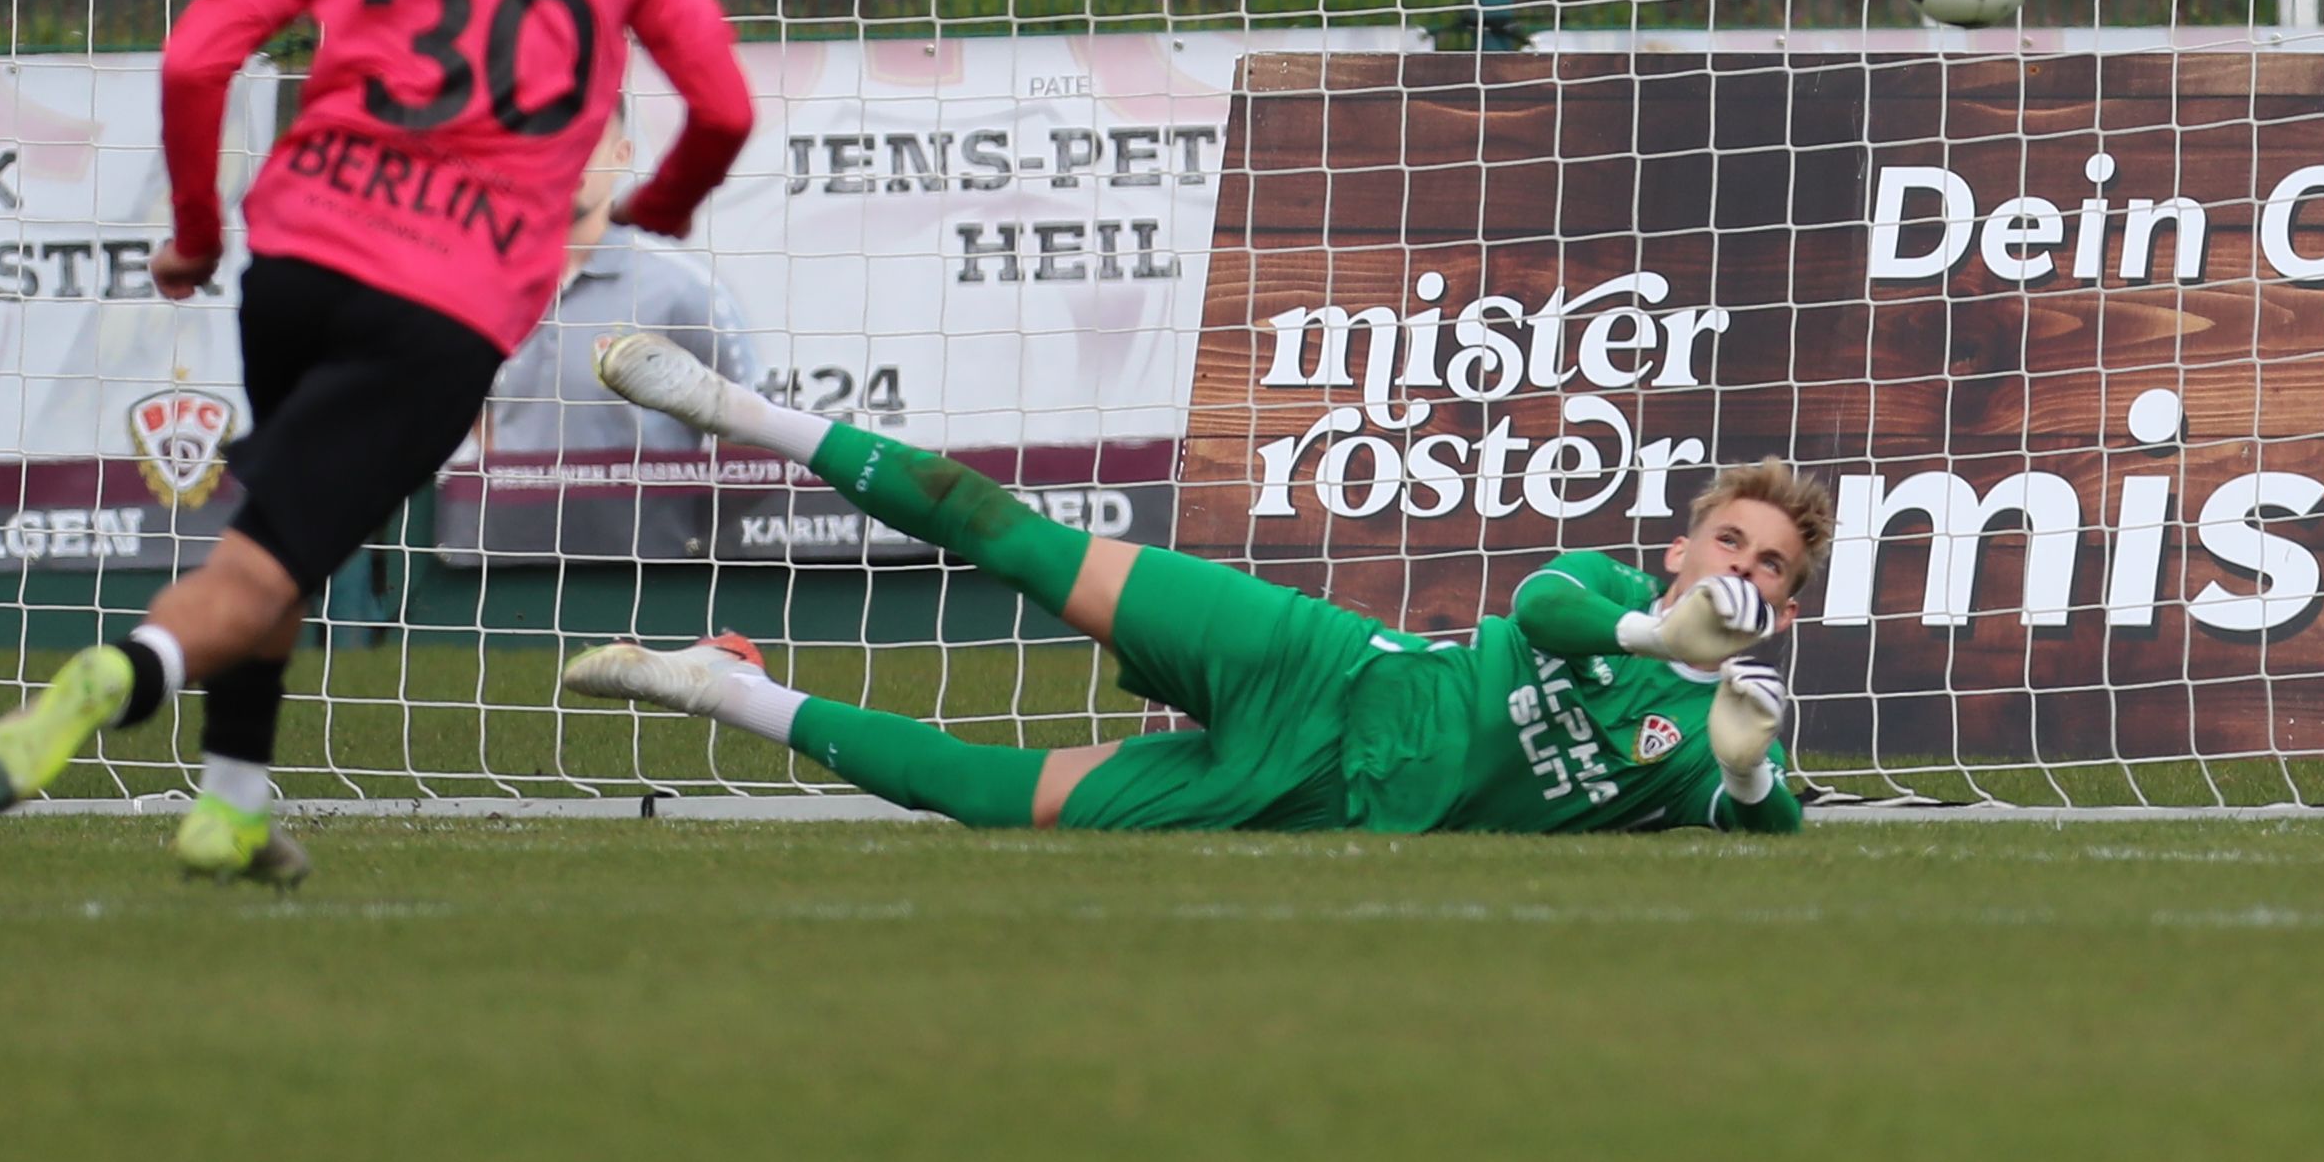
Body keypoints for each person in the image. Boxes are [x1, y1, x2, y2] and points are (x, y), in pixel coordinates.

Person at [0, 0, 758, 885]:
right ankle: (120, 674)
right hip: (444, 293)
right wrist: (668, 204)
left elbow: (196, 62)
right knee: (267, 552)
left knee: (290, 525)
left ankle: (233, 804)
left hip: (298, 263)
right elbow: (724, 104)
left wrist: (202, 236)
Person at [560, 330, 1818, 836]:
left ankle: (726, 692)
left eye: (1773, 568)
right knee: (1017, 535)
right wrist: (1660, 629)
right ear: (1684, 546)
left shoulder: (1701, 740)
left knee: (987, 797)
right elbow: (1543, 604)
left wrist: (1751, 766)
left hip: (1314, 798)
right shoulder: (1609, 588)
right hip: (1318, 664)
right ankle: (733, 406)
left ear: (1791, 605)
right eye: (1734, 543)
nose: (1746, 570)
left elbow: (1772, 826)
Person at [459, 115, 759, 563]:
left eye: (586, 142)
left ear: (621, 155)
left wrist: (679, 528)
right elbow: (472, 408)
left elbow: (748, 434)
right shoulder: (477, 282)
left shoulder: (682, 288)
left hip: (645, 567)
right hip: (505, 561)